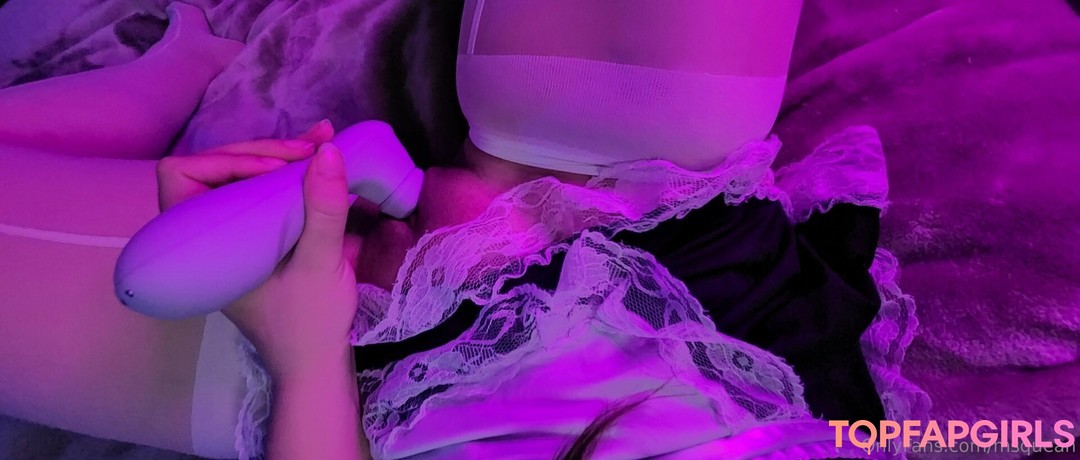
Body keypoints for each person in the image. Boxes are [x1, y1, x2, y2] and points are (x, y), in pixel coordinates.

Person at [1, 1, 892, 458]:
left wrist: (304, 359)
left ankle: (189, 61)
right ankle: (189, 61)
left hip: (358, 368)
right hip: (646, 199)